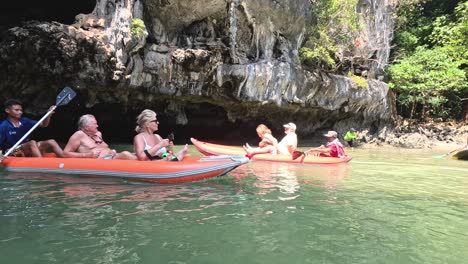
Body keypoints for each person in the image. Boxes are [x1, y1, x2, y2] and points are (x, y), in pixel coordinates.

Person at [0, 99, 64, 160]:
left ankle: (64, 157)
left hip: (26, 147)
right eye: (16, 110)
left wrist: (48, 115)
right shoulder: (3, 126)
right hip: (11, 150)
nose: (20, 112)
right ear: (7, 110)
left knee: (51, 141)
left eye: (21, 110)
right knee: (32, 142)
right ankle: (42, 163)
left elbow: (43, 124)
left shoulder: (25, 121)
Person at [63, 114, 136, 159]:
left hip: (111, 157)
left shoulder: (98, 134)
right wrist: (87, 155)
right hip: (98, 161)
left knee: (133, 153)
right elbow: (65, 153)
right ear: (87, 127)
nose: (97, 125)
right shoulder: (79, 135)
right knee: (126, 154)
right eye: (95, 124)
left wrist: (111, 151)